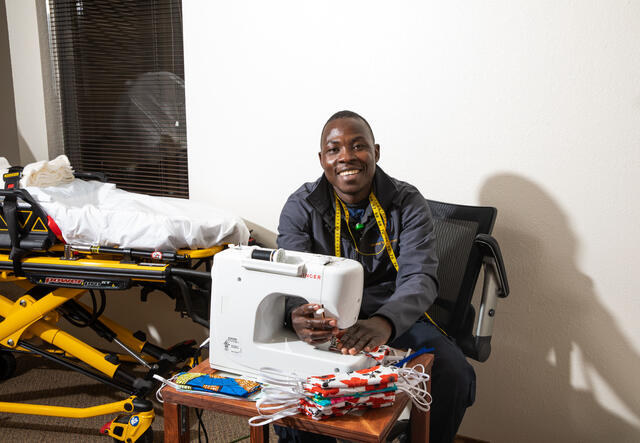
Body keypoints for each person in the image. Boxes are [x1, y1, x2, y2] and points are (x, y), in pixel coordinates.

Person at [275, 110, 476, 443]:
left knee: (453, 372)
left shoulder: (406, 202)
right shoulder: (301, 207)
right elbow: (289, 279)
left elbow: (420, 277)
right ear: (322, 159)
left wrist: (385, 322)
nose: (346, 157)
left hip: (394, 316)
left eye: (358, 146)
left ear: (376, 152)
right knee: (289, 380)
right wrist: (297, 314)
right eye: (334, 149)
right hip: (328, 319)